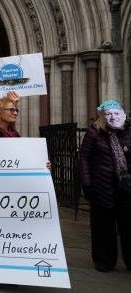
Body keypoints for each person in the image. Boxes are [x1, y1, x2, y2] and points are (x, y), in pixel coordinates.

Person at [78, 100, 131, 273]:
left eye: (116, 113)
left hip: (126, 187)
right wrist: (87, 184)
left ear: (123, 114)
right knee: (103, 227)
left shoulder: (129, 132)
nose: (113, 117)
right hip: (101, 185)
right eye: (108, 114)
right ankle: (104, 260)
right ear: (102, 116)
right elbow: (84, 158)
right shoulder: (94, 133)